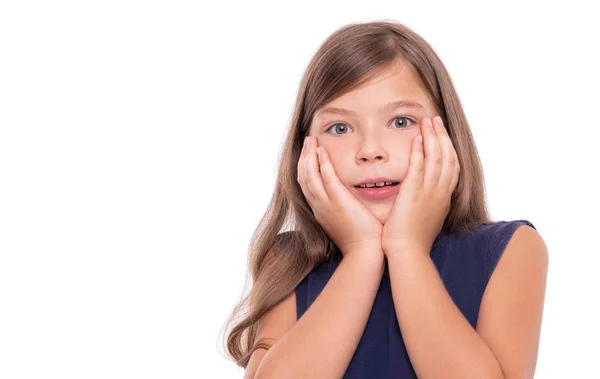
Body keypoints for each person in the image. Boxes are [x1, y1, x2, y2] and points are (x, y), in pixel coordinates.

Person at [221, 20, 548, 378]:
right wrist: (362, 252)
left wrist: (408, 248)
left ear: (446, 133)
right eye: (340, 128)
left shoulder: (509, 250)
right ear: (306, 152)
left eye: (400, 121)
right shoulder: (289, 261)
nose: (371, 150)